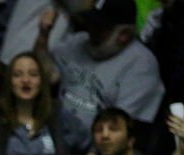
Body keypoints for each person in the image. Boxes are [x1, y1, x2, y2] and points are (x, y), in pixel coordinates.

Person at [36, 0, 164, 144]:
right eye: (92, 23)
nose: (91, 30)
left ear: (124, 35)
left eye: (101, 28)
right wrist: (43, 37)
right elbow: (43, 75)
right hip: (48, 133)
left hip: (92, 150)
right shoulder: (79, 41)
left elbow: (121, 129)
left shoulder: (142, 66)